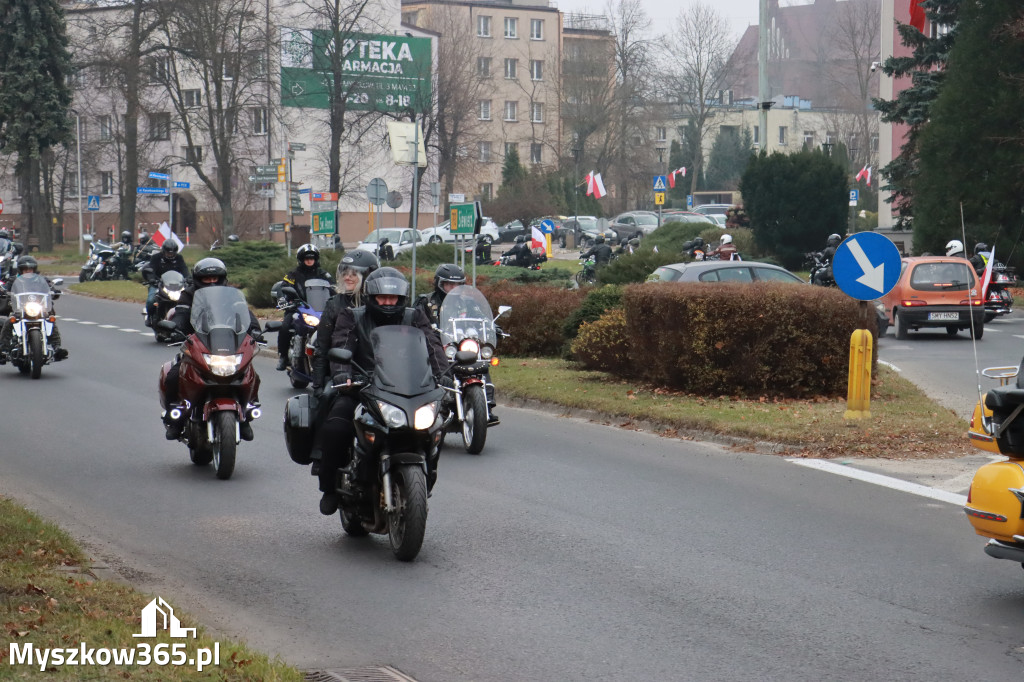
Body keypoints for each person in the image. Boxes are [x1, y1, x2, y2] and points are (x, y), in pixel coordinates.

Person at [311, 267, 448, 515]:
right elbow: (341, 344)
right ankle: (329, 488)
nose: (388, 302)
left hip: (407, 390)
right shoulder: (352, 316)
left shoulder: (414, 317)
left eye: (393, 298)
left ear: (401, 298)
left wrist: (444, 376)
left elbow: (432, 345)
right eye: (382, 298)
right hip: (363, 389)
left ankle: (424, 479)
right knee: (336, 428)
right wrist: (343, 375)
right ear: (371, 298)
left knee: (434, 427)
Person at [161, 257, 262, 439]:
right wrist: (175, 330)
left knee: (250, 374)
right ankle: (174, 419)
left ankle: (246, 416)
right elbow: (181, 315)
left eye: (216, 278)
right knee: (172, 376)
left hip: (227, 342)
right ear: (198, 279)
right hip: (196, 343)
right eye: (207, 279)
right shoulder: (188, 295)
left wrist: (255, 330)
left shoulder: (231, 295)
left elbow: (246, 314)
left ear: (223, 278)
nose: (212, 282)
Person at [416, 263, 501, 426]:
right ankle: (437, 403)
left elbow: (481, 318)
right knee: (431, 368)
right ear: (439, 284)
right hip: (436, 347)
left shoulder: (467, 302)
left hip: (462, 344)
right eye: (449, 284)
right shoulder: (425, 302)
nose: (453, 288)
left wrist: (493, 327)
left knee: (481, 362)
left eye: (457, 284)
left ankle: (486, 405)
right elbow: (414, 320)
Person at [311, 250, 380, 387]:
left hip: (380, 376)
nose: (347, 277)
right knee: (330, 402)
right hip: (342, 376)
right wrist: (318, 386)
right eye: (345, 273)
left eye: (354, 274)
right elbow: (322, 347)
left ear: (367, 276)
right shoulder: (334, 304)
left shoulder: (380, 304)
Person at [276, 244, 334, 371]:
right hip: (298, 307)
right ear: (301, 260)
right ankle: (283, 356)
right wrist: (284, 299)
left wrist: (337, 297)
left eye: (312, 258)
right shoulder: (293, 274)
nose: (309, 260)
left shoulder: (323, 274)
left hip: (319, 308)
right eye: (306, 258)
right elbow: (283, 287)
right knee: (285, 327)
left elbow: (333, 287)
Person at [0, 256, 68, 363]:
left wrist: (54, 291)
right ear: (20, 270)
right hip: (20, 308)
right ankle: (3, 349)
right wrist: (3, 291)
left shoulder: (41, 280)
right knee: (9, 322)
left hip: (38, 307)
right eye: (26, 269)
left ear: (34, 269)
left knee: (50, 321)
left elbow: (50, 287)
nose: (28, 271)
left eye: (30, 269)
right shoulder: (14, 280)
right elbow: (6, 288)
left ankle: (56, 348)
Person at [144, 241, 189, 325]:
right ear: (164, 251)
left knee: (186, 300)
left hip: (176, 285)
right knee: (151, 300)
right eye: (168, 253)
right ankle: (150, 316)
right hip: (158, 284)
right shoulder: (156, 258)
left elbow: (184, 270)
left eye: (172, 253)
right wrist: (151, 279)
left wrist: (188, 279)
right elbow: (151, 270)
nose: (170, 255)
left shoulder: (179, 258)